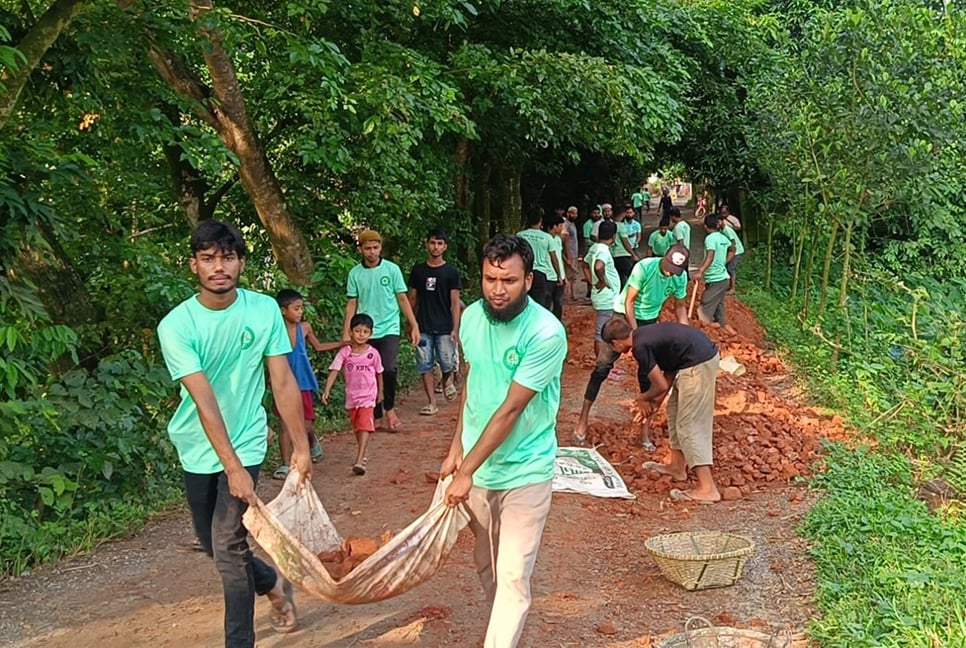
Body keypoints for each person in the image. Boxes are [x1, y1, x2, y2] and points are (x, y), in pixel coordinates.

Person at [157, 220, 307, 646]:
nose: (218, 267)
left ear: (241, 261)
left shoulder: (262, 311)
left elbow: (281, 380)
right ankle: (273, 583)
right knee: (213, 543)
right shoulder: (177, 326)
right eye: (208, 259)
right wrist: (231, 467)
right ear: (194, 265)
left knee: (226, 544)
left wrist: (299, 447)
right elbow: (204, 401)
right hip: (197, 445)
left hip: (247, 438)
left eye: (227, 257)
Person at [440, 233, 567, 648]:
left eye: (508, 281)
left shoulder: (546, 333)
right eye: (490, 279)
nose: (497, 290)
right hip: (478, 469)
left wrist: (467, 469)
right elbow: (472, 386)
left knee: (513, 573)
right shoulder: (473, 318)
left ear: (528, 280)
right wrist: (455, 449)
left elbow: (510, 410)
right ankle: (503, 629)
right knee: (486, 565)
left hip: (526, 469)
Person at [573, 245, 690, 446]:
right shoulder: (644, 268)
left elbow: (680, 308)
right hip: (625, 318)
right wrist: (636, 335)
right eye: (669, 266)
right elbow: (629, 302)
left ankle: (644, 431)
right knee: (602, 367)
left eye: (675, 270)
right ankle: (583, 419)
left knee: (648, 375)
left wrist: (686, 333)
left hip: (650, 320)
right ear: (664, 257)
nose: (670, 272)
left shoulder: (679, 277)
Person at [601, 317, 722, 504]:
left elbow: (659, 384)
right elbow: (669, 371)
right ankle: (677, 467)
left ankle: (708, 488)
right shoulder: (644, 336)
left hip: (698, 364)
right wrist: (656, 405)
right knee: (674, 414)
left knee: (689, 425)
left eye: (612, 347)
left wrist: (643, 398)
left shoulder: (640, 347)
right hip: (690, 363)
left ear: (616, 342)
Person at [342, 229, 420, 432]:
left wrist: (414, 324)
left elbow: (402, 298)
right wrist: (346, 333)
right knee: (368, 373)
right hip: (364, 331)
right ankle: (375, 414)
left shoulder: (392, 270)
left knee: (389, 367)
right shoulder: (355, 274)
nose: (371, 252)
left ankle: (390, 408)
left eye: (375, 248)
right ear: (360, 249)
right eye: (367, 248)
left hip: (389, 327)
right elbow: (352, 303)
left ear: (380, 248)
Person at [272, 289, 347, 479]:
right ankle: (285, 464)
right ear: (283, 310)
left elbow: (319, 346)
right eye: (296, 308)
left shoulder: (304, 328)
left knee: (306, 425)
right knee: (284, 424)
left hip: (303, 381)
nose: (300, 312)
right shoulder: (274, 328)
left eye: (301, 308)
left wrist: (343, 343)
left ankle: (312, 444)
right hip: (282, 381)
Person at [408, 229, 462, 416]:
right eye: (432, 243)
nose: (436, 247)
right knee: (425, 364)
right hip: (423, 325)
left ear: (445, 247)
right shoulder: (418, 270)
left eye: (440, 243)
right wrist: (411, 323)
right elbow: (412, 299)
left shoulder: (451, 272)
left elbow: (455, 302)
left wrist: (455, 328)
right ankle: (431, 401)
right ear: (426, 244)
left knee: (447, 362)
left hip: (445, 326)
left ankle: (447, 380)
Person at [322, 313, 384, 475]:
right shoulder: (345, 353)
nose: (361, 335)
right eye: (357, 331)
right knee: (357, 427)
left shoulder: (373, 353)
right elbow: (335, 370)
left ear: (370, 333)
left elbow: (379, 373)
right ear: (350, 332)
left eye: (365, 331)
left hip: (368, 396)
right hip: (352, 397)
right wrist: (327, 388)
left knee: (364, 425)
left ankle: (359, 460)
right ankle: (362, 453)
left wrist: (381, 392)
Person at [582, 220, 620, 357]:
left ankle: (603, 362)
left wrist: (591, 281)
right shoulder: (603, 250)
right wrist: (602, 281)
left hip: (602, 295)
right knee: (603, 332)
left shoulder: (595, 247)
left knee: (605, 330)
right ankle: (601, 363)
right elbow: (599, 266)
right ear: (614, 236)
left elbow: (585, 264)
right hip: (606, 297)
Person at [694, 214, 735, 327]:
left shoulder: (710, 239)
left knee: (705, 302)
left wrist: (700, 271)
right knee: (719, 305)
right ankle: (722, 326)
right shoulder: (723, 237)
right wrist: (724, 261)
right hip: (723, 279)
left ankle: (707, 326)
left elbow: (710, 255)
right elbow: (733, 249)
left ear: (705, 226)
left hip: (717, 279)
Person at [516, 212, 558, 311]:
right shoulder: (547, 237)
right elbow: (554, 258)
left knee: (522, 301)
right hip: (540, 273)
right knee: (539, 304)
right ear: (540, 221)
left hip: (524, 272)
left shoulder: (520, 235)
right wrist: (559, 274)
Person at [544, 213, 567, 320]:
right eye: (560, 226)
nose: (562, 228)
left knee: (558, 302)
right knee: (547, 302)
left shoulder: (558, 239)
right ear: (554, 226)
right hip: (549, 276)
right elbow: (553, 258)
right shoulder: (545, 239)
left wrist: (563, 275)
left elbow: (559, 257)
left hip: (559, 276)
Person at [611, 205, 639, 288]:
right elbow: (625, 242)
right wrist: (633, 254)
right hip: (622, 254)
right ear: (622, 214)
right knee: (632, 276)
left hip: (613, 254)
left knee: (619, 277)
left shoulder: (611, 225)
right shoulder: (620, 226)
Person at [718, 205, 744, 293]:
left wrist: (729, 255)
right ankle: (727, 286)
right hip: (732, 251)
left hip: (737, 251)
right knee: (727, 268)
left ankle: (733, 289)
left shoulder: (727, 230)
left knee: (730, 268)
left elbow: (733, 243)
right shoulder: (722, 230)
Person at [562, 206, 580, 301]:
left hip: (574, 254)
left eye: (575, 213)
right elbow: (566, 241)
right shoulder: (566, 224)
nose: (574, 215)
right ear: (567, 213)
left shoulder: (572, 224)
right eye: (572, 213)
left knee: (573, 277)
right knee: (568, 276)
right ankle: (566, 296)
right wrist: (568, 256)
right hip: (570, 254)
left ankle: (572, 295)